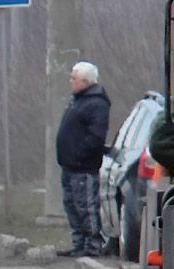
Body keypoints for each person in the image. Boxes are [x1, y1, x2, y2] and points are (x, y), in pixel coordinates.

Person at [55, 61, 111, 258]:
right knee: (72, 206)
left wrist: (79, 153)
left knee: (86, 207)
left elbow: (96, 136)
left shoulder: (96, 103)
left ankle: (92, 246)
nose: (71, 81)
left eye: (74, 78)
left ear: (86, 81)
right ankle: (79, 244)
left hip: (83, 167)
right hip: (69, 166)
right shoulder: (77, 99)